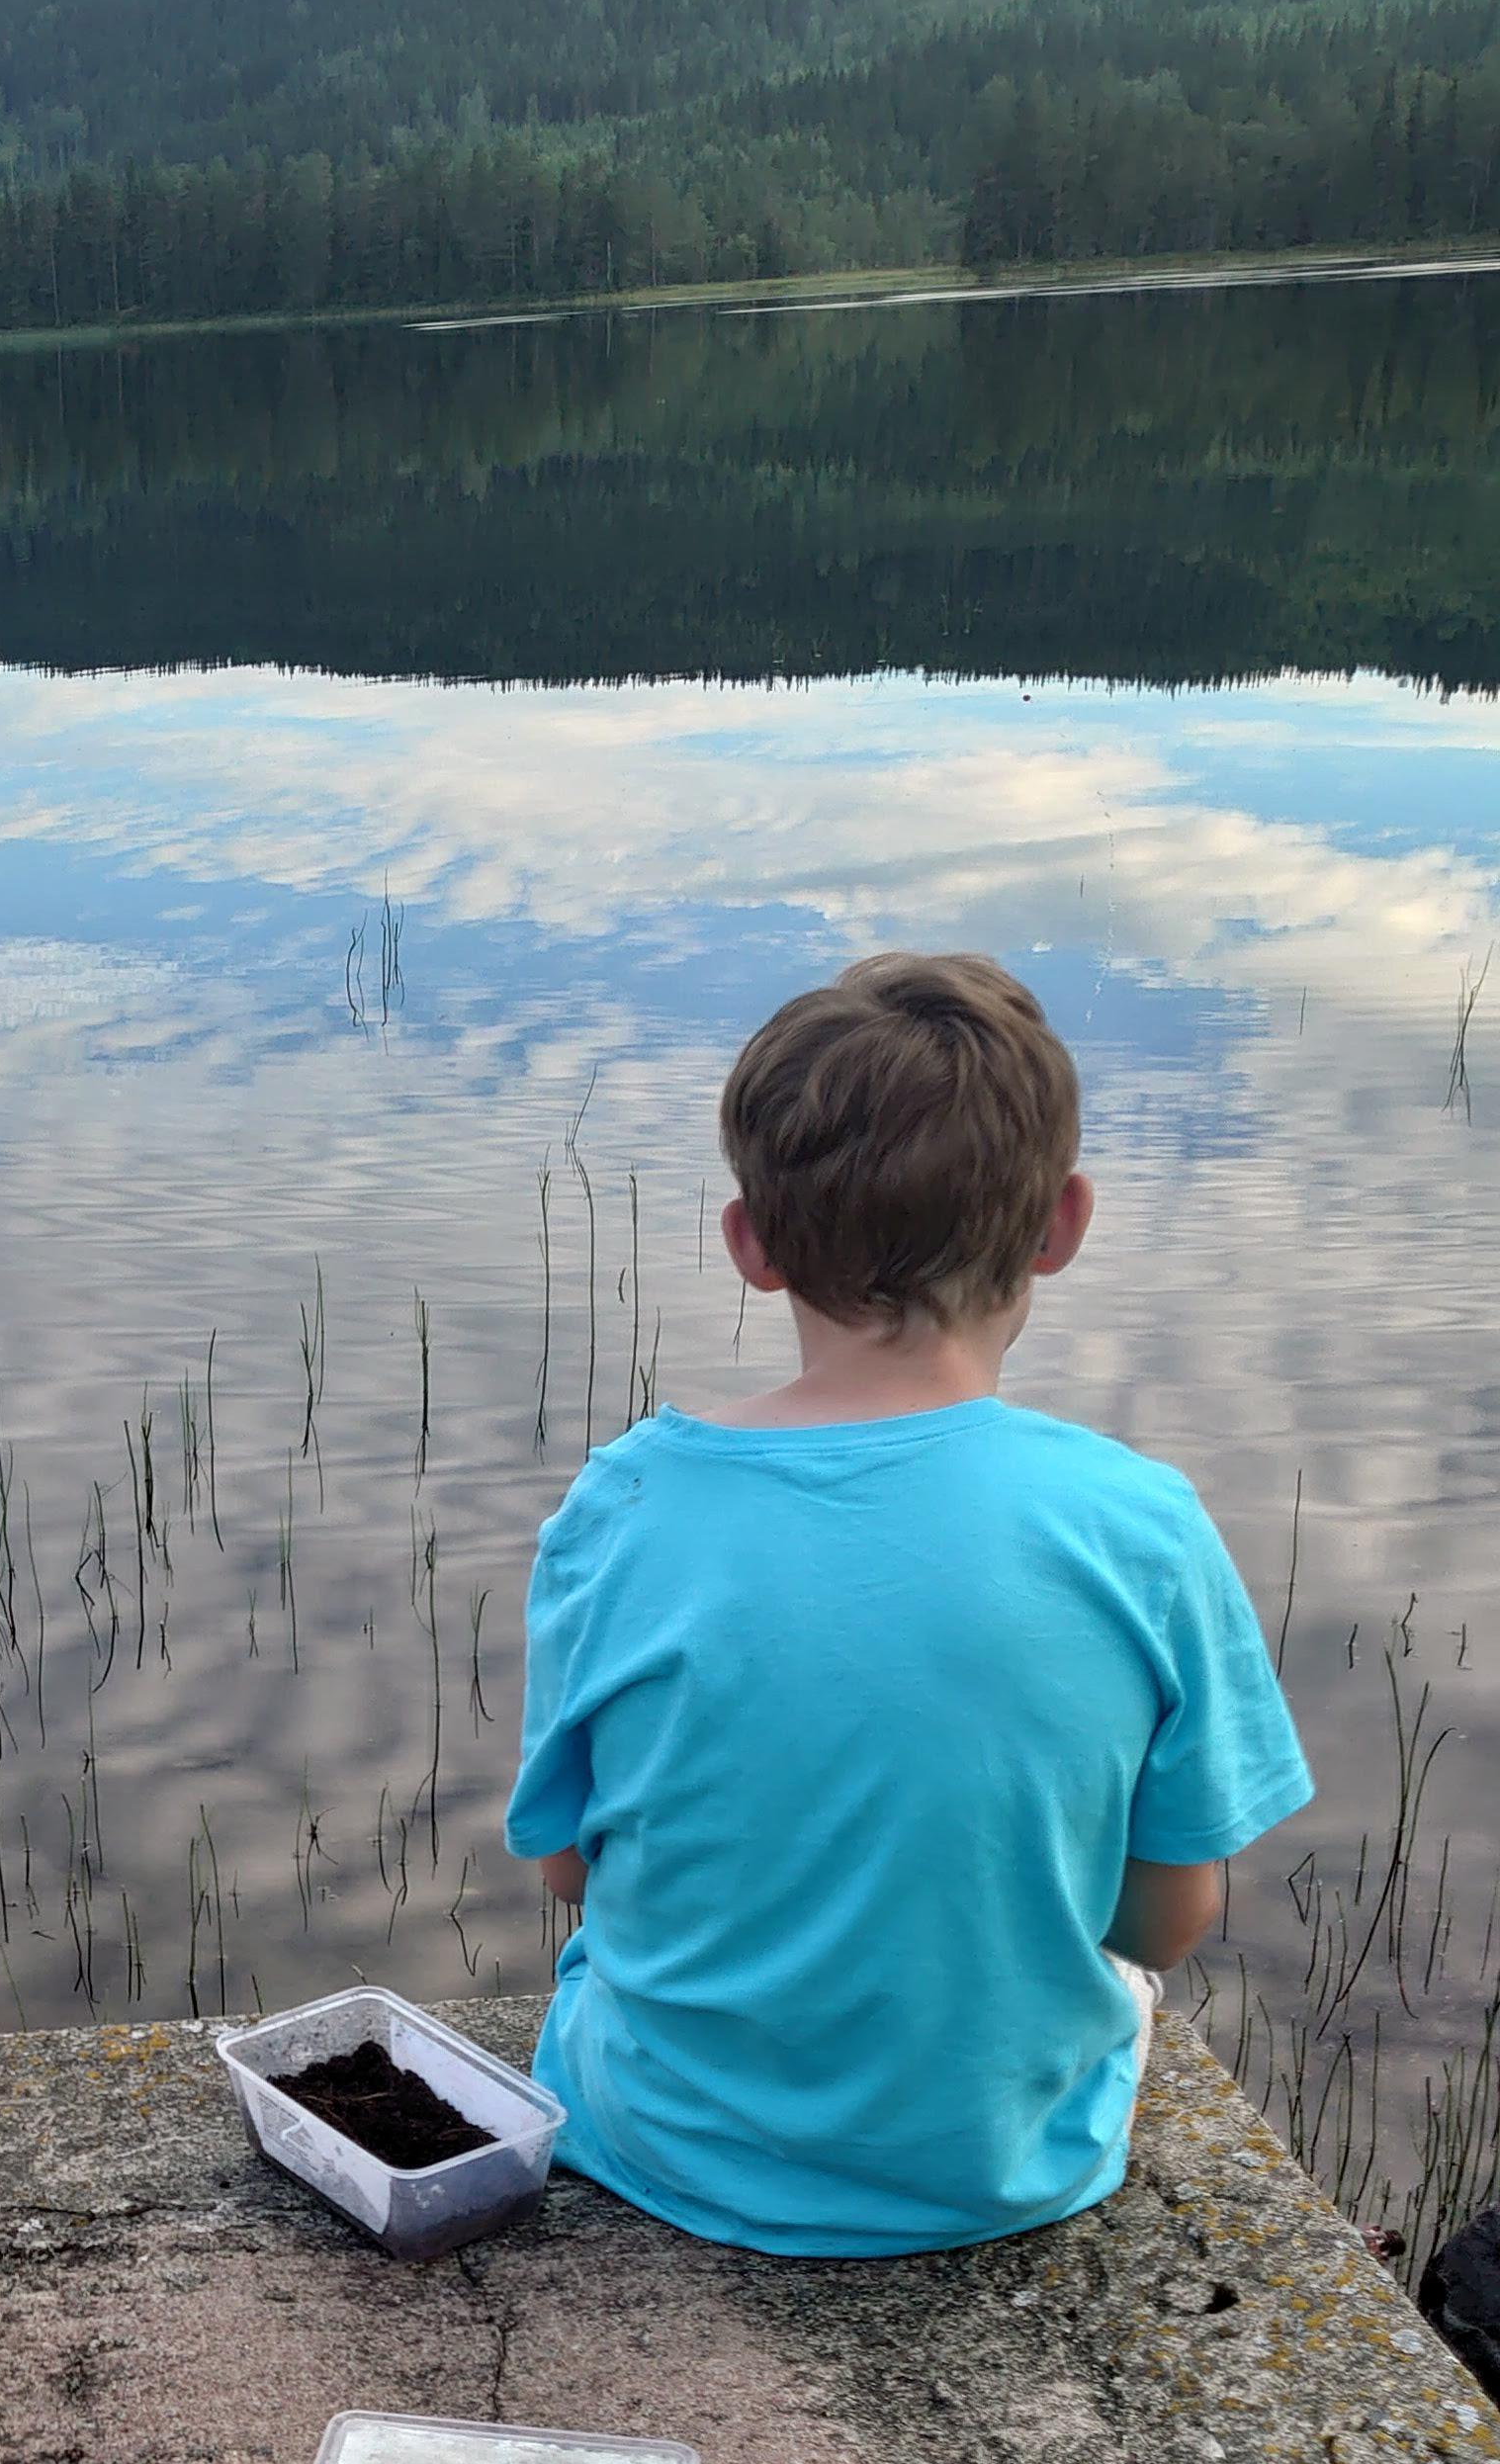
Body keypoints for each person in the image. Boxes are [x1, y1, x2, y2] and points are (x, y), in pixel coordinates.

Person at [505, 954, 1310, 2258]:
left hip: (658, 2143)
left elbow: (566, 1876)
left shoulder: (623, 1506)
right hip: (1002, 2167)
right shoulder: (1140, 1523)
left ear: (752, 1245)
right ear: (1060, 1223)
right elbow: (1166, 1921)